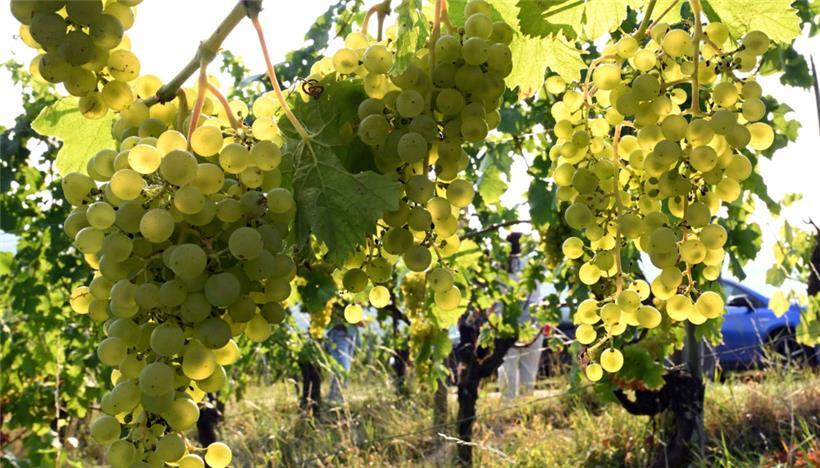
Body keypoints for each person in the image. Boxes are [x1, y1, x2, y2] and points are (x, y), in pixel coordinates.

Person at [497, 232, 544, 400]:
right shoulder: (534, 264)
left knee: (507, 365)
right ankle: (526, 406)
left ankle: (507, 406)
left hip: (506, 318)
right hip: (533, 317)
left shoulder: (500, 266)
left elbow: (497, 299)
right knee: (529, 367)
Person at [325, 303, 362, 405]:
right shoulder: (342, 292)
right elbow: (340, 294)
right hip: (338, 334)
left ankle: (336, 397)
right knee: (342, 368)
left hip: (351, 334)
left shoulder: (355, 294)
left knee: (343, 369)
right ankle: (336, 398)